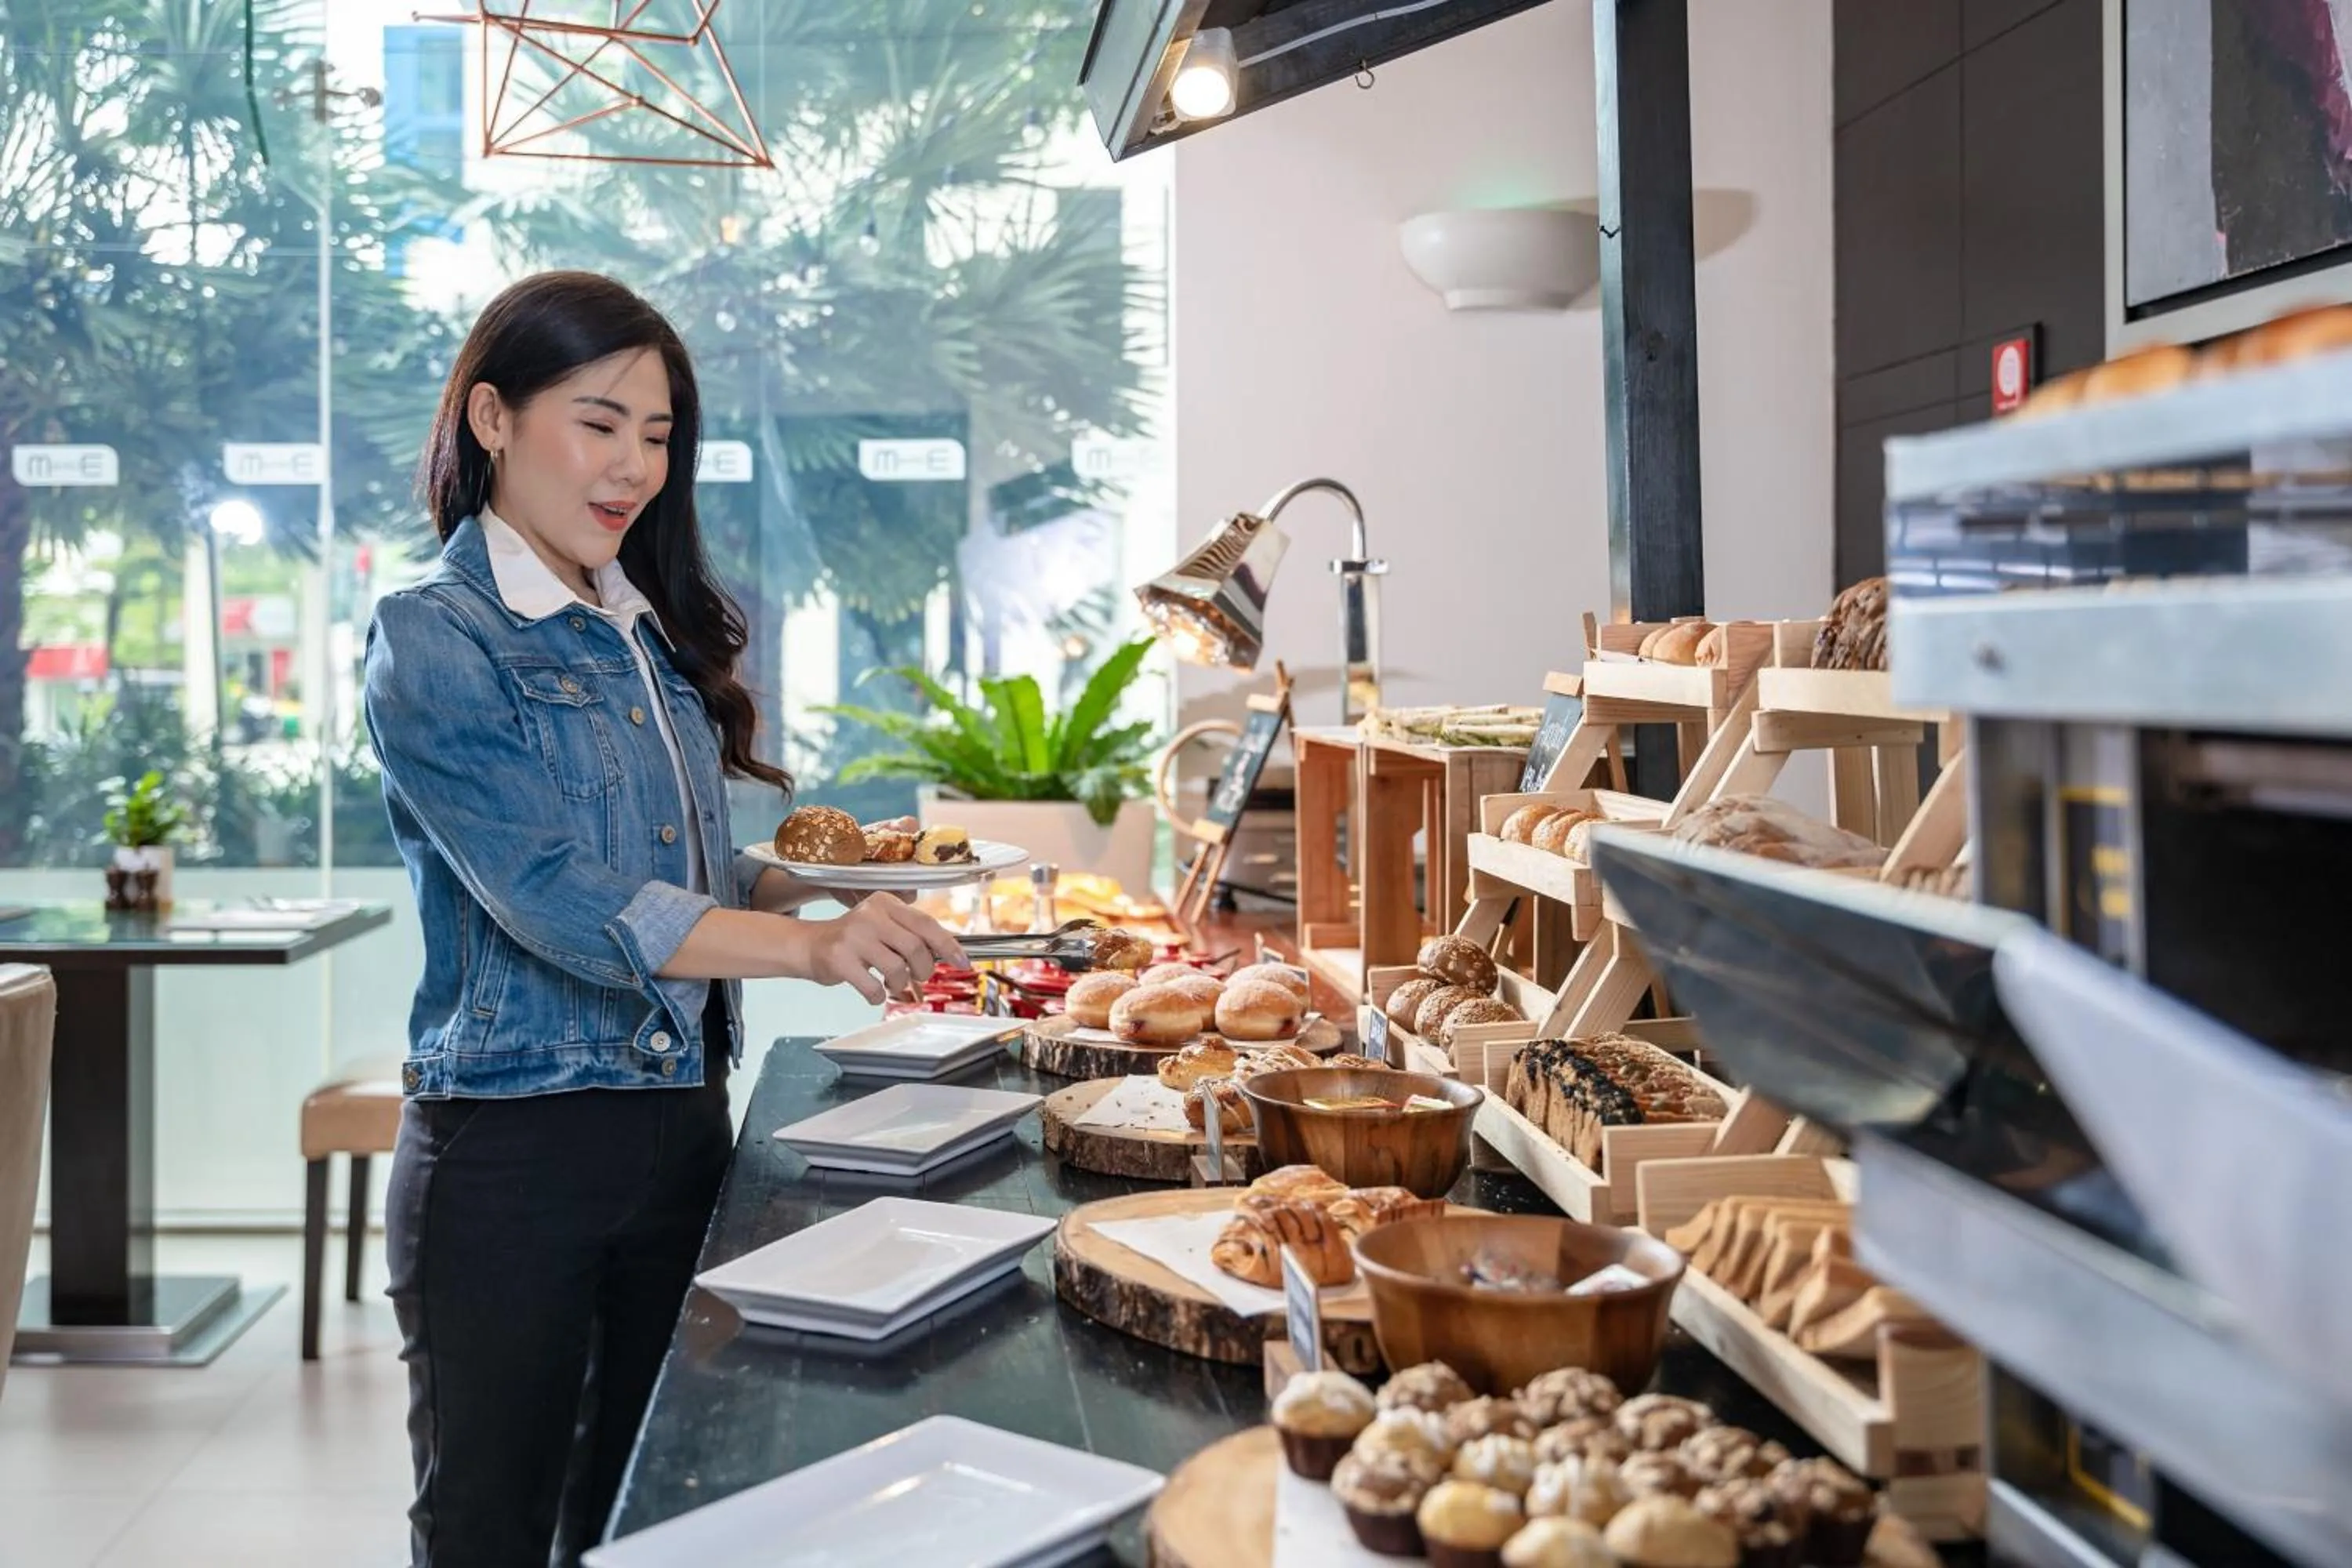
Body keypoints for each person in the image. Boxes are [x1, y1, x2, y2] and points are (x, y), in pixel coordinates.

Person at [363, 270, 966, 1567]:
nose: (633, 465)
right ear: (491, 418)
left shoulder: (632, 625)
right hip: (514, 1159)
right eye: (599, 422)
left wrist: (826, 892)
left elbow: (673, 861)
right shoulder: (435, 638)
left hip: (681, 1132)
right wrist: (807, 949)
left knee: (647, 1515)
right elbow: (556, 896)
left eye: (658, 435)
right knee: (489, 1526)